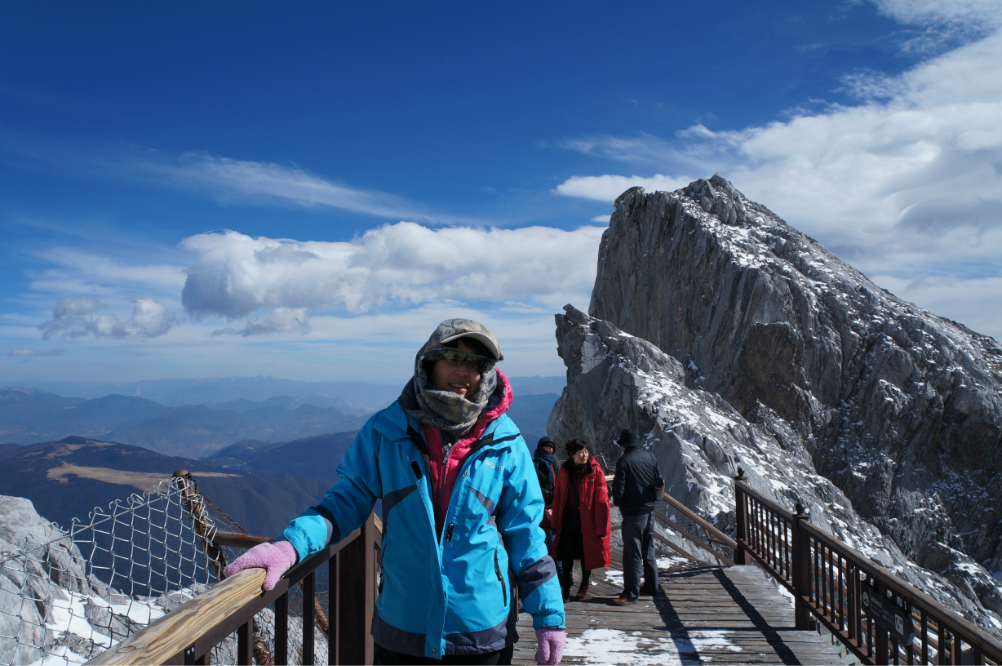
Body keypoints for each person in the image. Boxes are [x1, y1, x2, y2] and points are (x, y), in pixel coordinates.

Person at [223, 319, 566, 665]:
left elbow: (526, 535)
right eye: (453, 357)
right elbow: (344, 503)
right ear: (429, 361)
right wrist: (290, 546)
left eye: (477, 363)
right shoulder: (386, 431)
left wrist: (549, 614)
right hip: (404, 628)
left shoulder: (505, 443)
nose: (465, 372)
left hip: (481, 630)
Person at [549, 439, 611, 602]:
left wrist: (601, 526)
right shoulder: (565, 470)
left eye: (586, 452)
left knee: (586, 552)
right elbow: (558, 497)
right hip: (569, 519)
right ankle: (566, 586)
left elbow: (602, 500)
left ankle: (585, 583)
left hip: (588, 519)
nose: (584, 455)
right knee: (567, 553)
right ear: (572, 454)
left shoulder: (595, 470)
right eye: (580, 452)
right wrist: (555, 522)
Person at [609, 429, 664, 606]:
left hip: (633, 513)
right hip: (650, 511)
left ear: (624, 445)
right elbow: (657, 479)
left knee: (632, 554)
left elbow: (618, 491)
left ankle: (631, 593)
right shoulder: (650, 457)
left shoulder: (624, 462)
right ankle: (651, 586)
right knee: (649, 550)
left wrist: (619, 502)